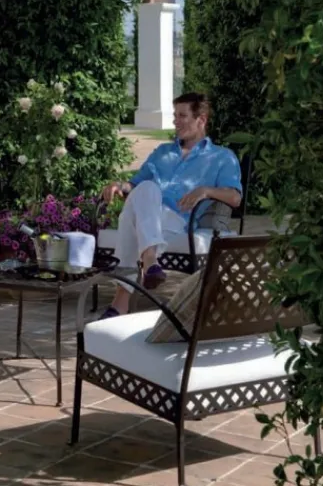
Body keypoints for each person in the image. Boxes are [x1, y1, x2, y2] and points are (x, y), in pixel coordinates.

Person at [99, 92, 242, 319]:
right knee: (147, 188)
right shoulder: (162, 152)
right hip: (148, 214)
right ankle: (150, 261)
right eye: (175, 115)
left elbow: (234, 197)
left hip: (177, 219)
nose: (176, 121)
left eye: (182, 116)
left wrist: (205, 190)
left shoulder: (222, 157)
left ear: (201, 120)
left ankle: (120, 303)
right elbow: (134, 185)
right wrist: (119, 185)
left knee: (132, 217)